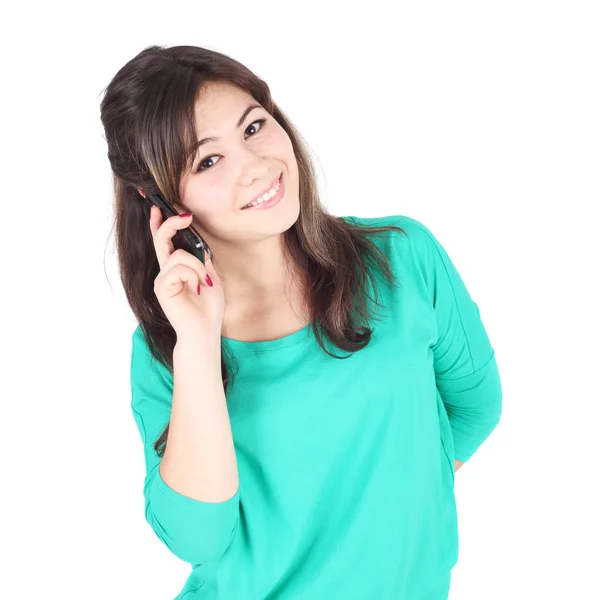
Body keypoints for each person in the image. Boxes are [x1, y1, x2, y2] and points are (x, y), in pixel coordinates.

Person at [100, 44, 502, 600]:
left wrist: (383, 515)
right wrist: (198, 344)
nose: (257, 166)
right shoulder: (167, 348)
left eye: (254, 127)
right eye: (208, 161)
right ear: (161, 198)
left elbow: (474, 405)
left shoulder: (404, 258)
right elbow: (199, 537)